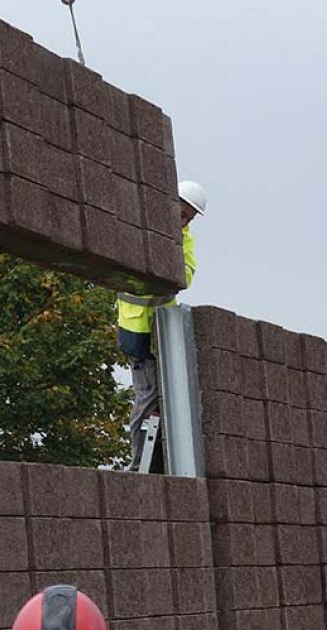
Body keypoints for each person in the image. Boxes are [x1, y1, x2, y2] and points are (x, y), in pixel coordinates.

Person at [118, 180, 207, 472]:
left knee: (166, 393)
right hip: (136, 329)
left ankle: (157, 458)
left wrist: (169, 266)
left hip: (164, 331)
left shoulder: (185, 239)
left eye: (189, 219)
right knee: (147, 395)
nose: (184, 222)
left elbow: (186, 274)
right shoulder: (145, 226)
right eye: (183, 215)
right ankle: (139, 463)